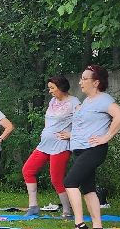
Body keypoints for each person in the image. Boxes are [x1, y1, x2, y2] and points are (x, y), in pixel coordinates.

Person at [64, 65, 120, 229]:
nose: (80, 82)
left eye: (85, 79)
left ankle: (79, 224)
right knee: (88, 189)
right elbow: (86, 126)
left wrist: (106, 137)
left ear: (96, 82)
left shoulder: (104, 99)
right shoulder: (87, 101)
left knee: (70, 182)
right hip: (81, 149)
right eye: (81, 78)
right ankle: (98, 228)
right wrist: (70, 135)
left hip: (93, 149)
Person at [22, 75, 78, 217]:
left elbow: (83, 123)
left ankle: (67, 210)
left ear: (61, 87)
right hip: (45, 144)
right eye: (49, 88)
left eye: (52, 88)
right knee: (28, 170)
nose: (50, 91)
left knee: (56, 179)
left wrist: (71, 135)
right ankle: (33, 206)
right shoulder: (53, 101)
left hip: (60, 145)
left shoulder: (74, 102)